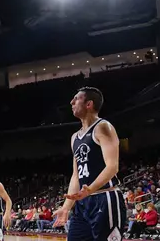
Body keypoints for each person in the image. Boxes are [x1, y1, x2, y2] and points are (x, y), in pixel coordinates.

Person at [53, 87, 126, 241]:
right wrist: (66, 207)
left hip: (105, 198)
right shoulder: (75, 137)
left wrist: (90, 189)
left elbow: (112, 167)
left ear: (89, 104)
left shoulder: (103, 127)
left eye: (76, 99)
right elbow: (76, 176)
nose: (71, 102)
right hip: (82, 204)